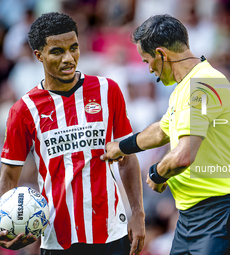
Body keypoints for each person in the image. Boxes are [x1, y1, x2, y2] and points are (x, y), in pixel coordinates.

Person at [100, 14, 230, 255]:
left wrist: (157, 174)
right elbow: (161, 130)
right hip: (189, 217)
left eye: (147, 60)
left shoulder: (203, 83)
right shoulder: (184, 87)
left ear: (162, 54)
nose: (149, 68)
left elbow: (184, 155)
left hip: (221, 211)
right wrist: (121, 146)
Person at [0, 12, 145, 255]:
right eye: (57, 51)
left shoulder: (108, 90)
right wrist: (7, 225)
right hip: (57, 239)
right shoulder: (24, 110)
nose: (69, 58)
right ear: (39, 55)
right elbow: (8, 176)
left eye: (74, 48)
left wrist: (138, 213)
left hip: (112, 232)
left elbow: (127, 158)